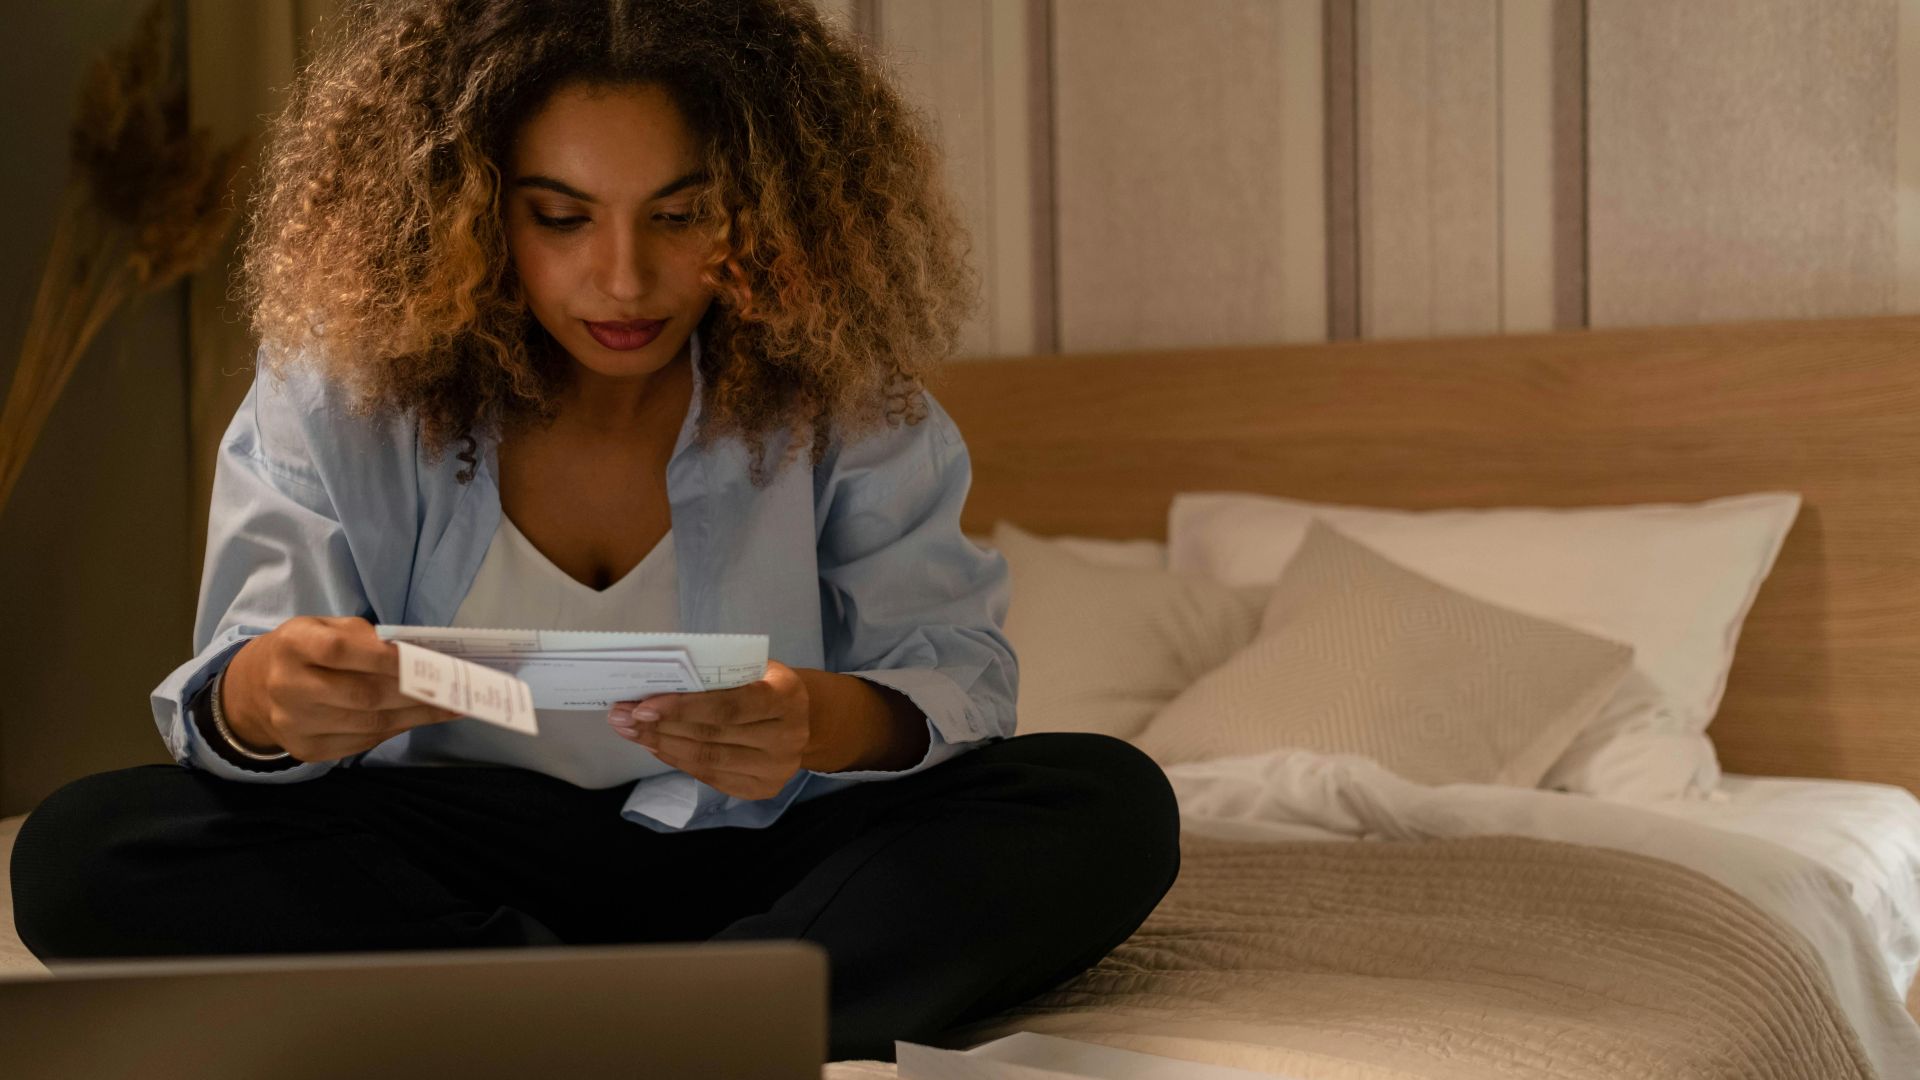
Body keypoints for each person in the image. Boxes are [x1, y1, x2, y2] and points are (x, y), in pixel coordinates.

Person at [7, 0, 1179, 1062]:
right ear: (467, 209)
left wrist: (814, 721)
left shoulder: (846, 397)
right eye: (562, 217)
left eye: (681, 215)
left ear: (768, 212)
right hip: (447, 856)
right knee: (83, 848)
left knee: (1101, 801)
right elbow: (236, 691)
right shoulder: (338, 390)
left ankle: (571, 1023)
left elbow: (958, 678)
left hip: (760, 853)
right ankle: (684, 1024)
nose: (624, 279)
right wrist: (271, 698)